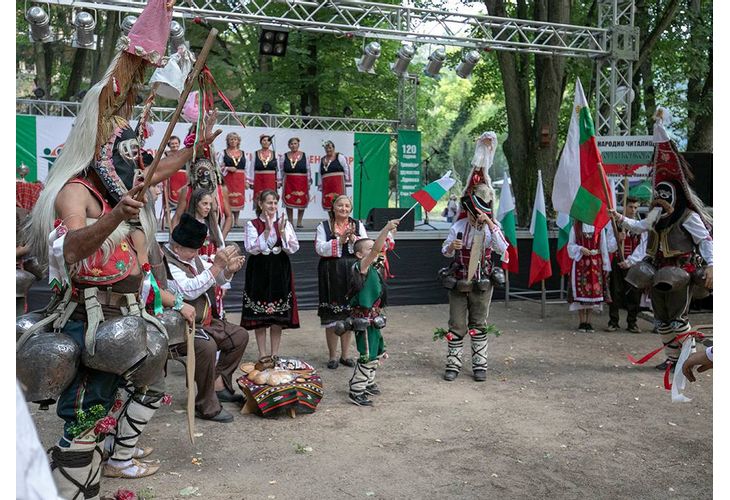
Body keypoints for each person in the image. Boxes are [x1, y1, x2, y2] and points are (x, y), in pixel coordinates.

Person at [24, 0, 222, 492]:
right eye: (121, 141)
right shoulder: (77, 191)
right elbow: (72, 252)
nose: (134, 153)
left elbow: (158, 170)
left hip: (129, 320)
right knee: (85, 423)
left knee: (121, 404)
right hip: (91, 326)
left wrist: (195, 149)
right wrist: (115, 216)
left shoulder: (122, 187)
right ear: (98, 141)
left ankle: (114, 460)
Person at [611, 108, 713, 371]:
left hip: (680, 271)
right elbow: (640, 226)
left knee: (678, 318)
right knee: (662, 319)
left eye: (663, 196)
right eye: (657, 196)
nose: (659, 201)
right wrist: (620, 219)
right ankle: (672, 358)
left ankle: (685, 359)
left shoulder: (687, 216)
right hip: (656, 270)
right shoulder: (655, 217)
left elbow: (704, 239)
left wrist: (712, 265)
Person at [162, 213, 248, 422]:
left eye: (196, 250)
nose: (195, 254)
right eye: (192, 250)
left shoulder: (194, 258)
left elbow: (216, 279)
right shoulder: (168, 265)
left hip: (204, 322)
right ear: (177, 248)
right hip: (180, 329)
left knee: (239, 336)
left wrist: (228, 271)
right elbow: (189, 291)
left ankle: (218, 385)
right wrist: (217, 265)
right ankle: (206, 405)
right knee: (206, 347)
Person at [441, 193, 508, 382]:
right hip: (459, 281)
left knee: (478, 323)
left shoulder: (491, 230)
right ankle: (453, 365)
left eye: (478, 214)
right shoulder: (458, 227)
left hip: (482, 282)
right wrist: (451, 247)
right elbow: (445, 252)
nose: (474, 218)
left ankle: (480, 366)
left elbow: (503, 249)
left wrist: (490, 223)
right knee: (456, 323)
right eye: (471, 214)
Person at [346, 219, 400, 406]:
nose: (375, 251)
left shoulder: (374, 269)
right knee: (367, 353)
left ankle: (367, 382)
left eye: (373, 248)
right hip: (364, 318)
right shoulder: (361, 267)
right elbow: (378, 248)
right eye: (369, 249)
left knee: (377, 350)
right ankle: (357, 390)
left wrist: (389, 234)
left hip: (374, 317)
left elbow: (380, 249)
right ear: (359, 254)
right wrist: (385, 228)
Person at [241, 189, 300, 359]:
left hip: (279, 269)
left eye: (275, 202)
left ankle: (274, 354)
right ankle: (263, 354)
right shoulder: (252, 224)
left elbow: (293, 248)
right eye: (269, 202)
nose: (273, 206)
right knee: (260, 315)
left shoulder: (284, 223)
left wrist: (281, 232)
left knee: (277, 316)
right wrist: (266, 231)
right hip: (259, 270)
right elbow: (251, 248)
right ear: (260, 204)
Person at [315, 195, 366, 369]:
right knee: (332, 315)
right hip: (331, 272)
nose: (344, 208)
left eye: (347, 206)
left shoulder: (358, 225)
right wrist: (340, 241)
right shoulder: (323, 226)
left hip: (351, 273)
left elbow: (366, 247)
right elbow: (320, 248)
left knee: (348, 315)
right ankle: (332, 356)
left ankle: (345, 355)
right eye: (340, 205)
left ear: (350, 208)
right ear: (333, 207)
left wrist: (353, 240)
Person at [567, 222, 617, 332]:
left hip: (595, 263)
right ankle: (582, 321)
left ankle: (589, 321)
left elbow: (603, 247)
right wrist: (580, 248)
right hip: (580, 263)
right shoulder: (575, 227)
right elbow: (570, 245)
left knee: (593, 292)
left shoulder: (600, 227)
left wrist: (606, 266)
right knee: (581, 292)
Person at [607, 198, 646, 333]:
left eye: (636, 207)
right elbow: (609, 247)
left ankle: (632, 322)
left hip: (633, 264)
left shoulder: (641, 226)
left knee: (634, 293)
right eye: (630, 207)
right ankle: (613, 321)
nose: (633, 210)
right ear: (624, 208)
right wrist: (618, 238)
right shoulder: (615, 224)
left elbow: (643, 247)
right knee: (615, 291)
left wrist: (630, 261)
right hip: (618, 262)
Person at [172, 157, 233, 240]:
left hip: (214, 238)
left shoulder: (221, 190)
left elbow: (229, 217)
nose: (204, 177)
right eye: (200, 174)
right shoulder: (187, 191)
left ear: (212, 174)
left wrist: (221, 238)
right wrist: (175, 239)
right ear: (195, 176)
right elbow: (177, 216)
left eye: (207, 173)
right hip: (191, 239)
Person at [216, 131, 246, 227]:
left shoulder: (243, 153)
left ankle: (236, 221)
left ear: (238, 141)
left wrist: (247, 181)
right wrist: (228, 168)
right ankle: (229, 221)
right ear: (228, 141)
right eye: (231, 139)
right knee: (227, 198)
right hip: (228, 178)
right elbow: (218, 166)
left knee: (238, 198)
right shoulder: (223, 153)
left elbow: (247, 168)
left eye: (235, 139)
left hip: (239, 179)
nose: (233, 141)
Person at [280, 137, 311, 228]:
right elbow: (281, 170)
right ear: (289, 145)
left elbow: (308, 170)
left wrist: (308, 181)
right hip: (289, 181)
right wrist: (281, 181)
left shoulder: (305, 155)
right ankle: (290, 221)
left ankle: (299, 221)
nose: (293, 145)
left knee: (301, 201)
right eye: (292, 144)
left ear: (298, 144)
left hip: (302, 181)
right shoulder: (284, 156)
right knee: (289, 199)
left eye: (295, 143)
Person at [247, 134, 279, 209]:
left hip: (271, 179)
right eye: (264, 140)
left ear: (270, 143)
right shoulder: (255, 153)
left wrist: (278, 181)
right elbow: (251, 168)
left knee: (270, 197)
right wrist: (251, 182)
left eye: (268, 140)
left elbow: (278, 169)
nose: (266, 142)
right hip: (259, 179)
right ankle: (259, 217)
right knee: (259, 197)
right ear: (261, 142)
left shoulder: (275, 154)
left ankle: (271, 217)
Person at [319, 140, 351, 210]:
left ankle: (339, 220)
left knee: (339, 202)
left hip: (338, 184)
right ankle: (331, 220)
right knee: (328, 203)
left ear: (333, 148)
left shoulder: (339, 156)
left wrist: (347, 181)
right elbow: (320, 173)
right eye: (326, 148)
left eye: (330, 148)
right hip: (327, 185)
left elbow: (346, 168)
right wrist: (321, 185)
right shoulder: (322, 159)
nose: (328, 150)